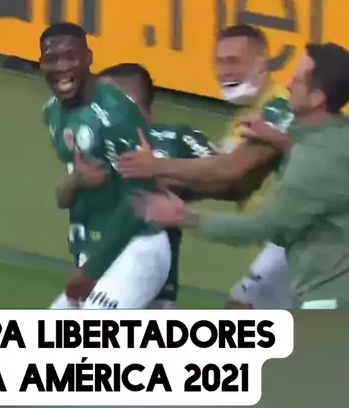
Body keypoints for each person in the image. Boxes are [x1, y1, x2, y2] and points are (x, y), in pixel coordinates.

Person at [132, 43, 349, 310]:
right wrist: (281, 141)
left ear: (317, 97)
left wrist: (181, 216)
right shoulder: (338, 135)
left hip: (329, 297)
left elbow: (260, 227)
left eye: (297, 80)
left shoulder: (312, 161)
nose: (289, 85)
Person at [118, 24, 297, 309]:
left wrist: (157, 167)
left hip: (302, 239)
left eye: (233, 61)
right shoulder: (244, 116)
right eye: (219, 63)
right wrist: (168, 186)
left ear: (262, 62)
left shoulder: (281, 108)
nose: (224, 71)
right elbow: (225, 183)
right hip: (276, 241)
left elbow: (230, 172)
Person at [56, 62, 214, 308]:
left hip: (145, 278)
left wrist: (163, 176)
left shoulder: (175, 139)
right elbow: (62, 198)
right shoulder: (93, 142)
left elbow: (224, 175)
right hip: (94, 273)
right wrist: (77, 180)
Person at [40, 22, 171, 310]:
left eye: (70, 56)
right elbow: (68, 195)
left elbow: (142, 198)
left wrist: (91, 270)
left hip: (137, 248)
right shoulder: (53, 112)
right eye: (52, 59)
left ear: (88, 58)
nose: (61, 66)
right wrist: (76, 181)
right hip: (96, 249)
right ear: (41, 64)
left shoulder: (116, 115)